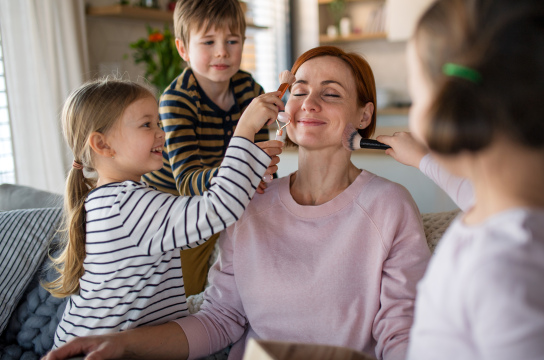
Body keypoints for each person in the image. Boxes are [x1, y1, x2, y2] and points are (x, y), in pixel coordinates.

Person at [43, 46, 432, 360]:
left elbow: (401, 332)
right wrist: (124, 344)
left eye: (331, 93)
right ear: (285, 107)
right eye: (298, 90)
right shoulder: (251, 203)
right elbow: (221, 320)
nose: (309, 102)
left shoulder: (389, 206)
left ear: (364, 115)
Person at [376, 0, 544, 359]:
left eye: (417, 93)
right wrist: (424, 160)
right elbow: (478, 198)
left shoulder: (511, 274)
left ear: (454, 103)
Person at [45, 78, 284, 348]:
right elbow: (217, 209)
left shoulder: (112, 200)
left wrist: (247, 168)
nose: (161, 133)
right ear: (103, 145)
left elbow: (191, 231)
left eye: (158, 123)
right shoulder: (126, 204)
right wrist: (245, 129)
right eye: (147, 125)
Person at [141, 0, 275, 296]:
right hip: (177, 203)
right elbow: (187, 181)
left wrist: (263, 178)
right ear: (183, 49)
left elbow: (262, 160)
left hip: (228, 191)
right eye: (208, 42)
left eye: (232, 41)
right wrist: (242, 174)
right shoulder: (176, 100)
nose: (222, 52)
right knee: (185, 286)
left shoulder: (249, 89)